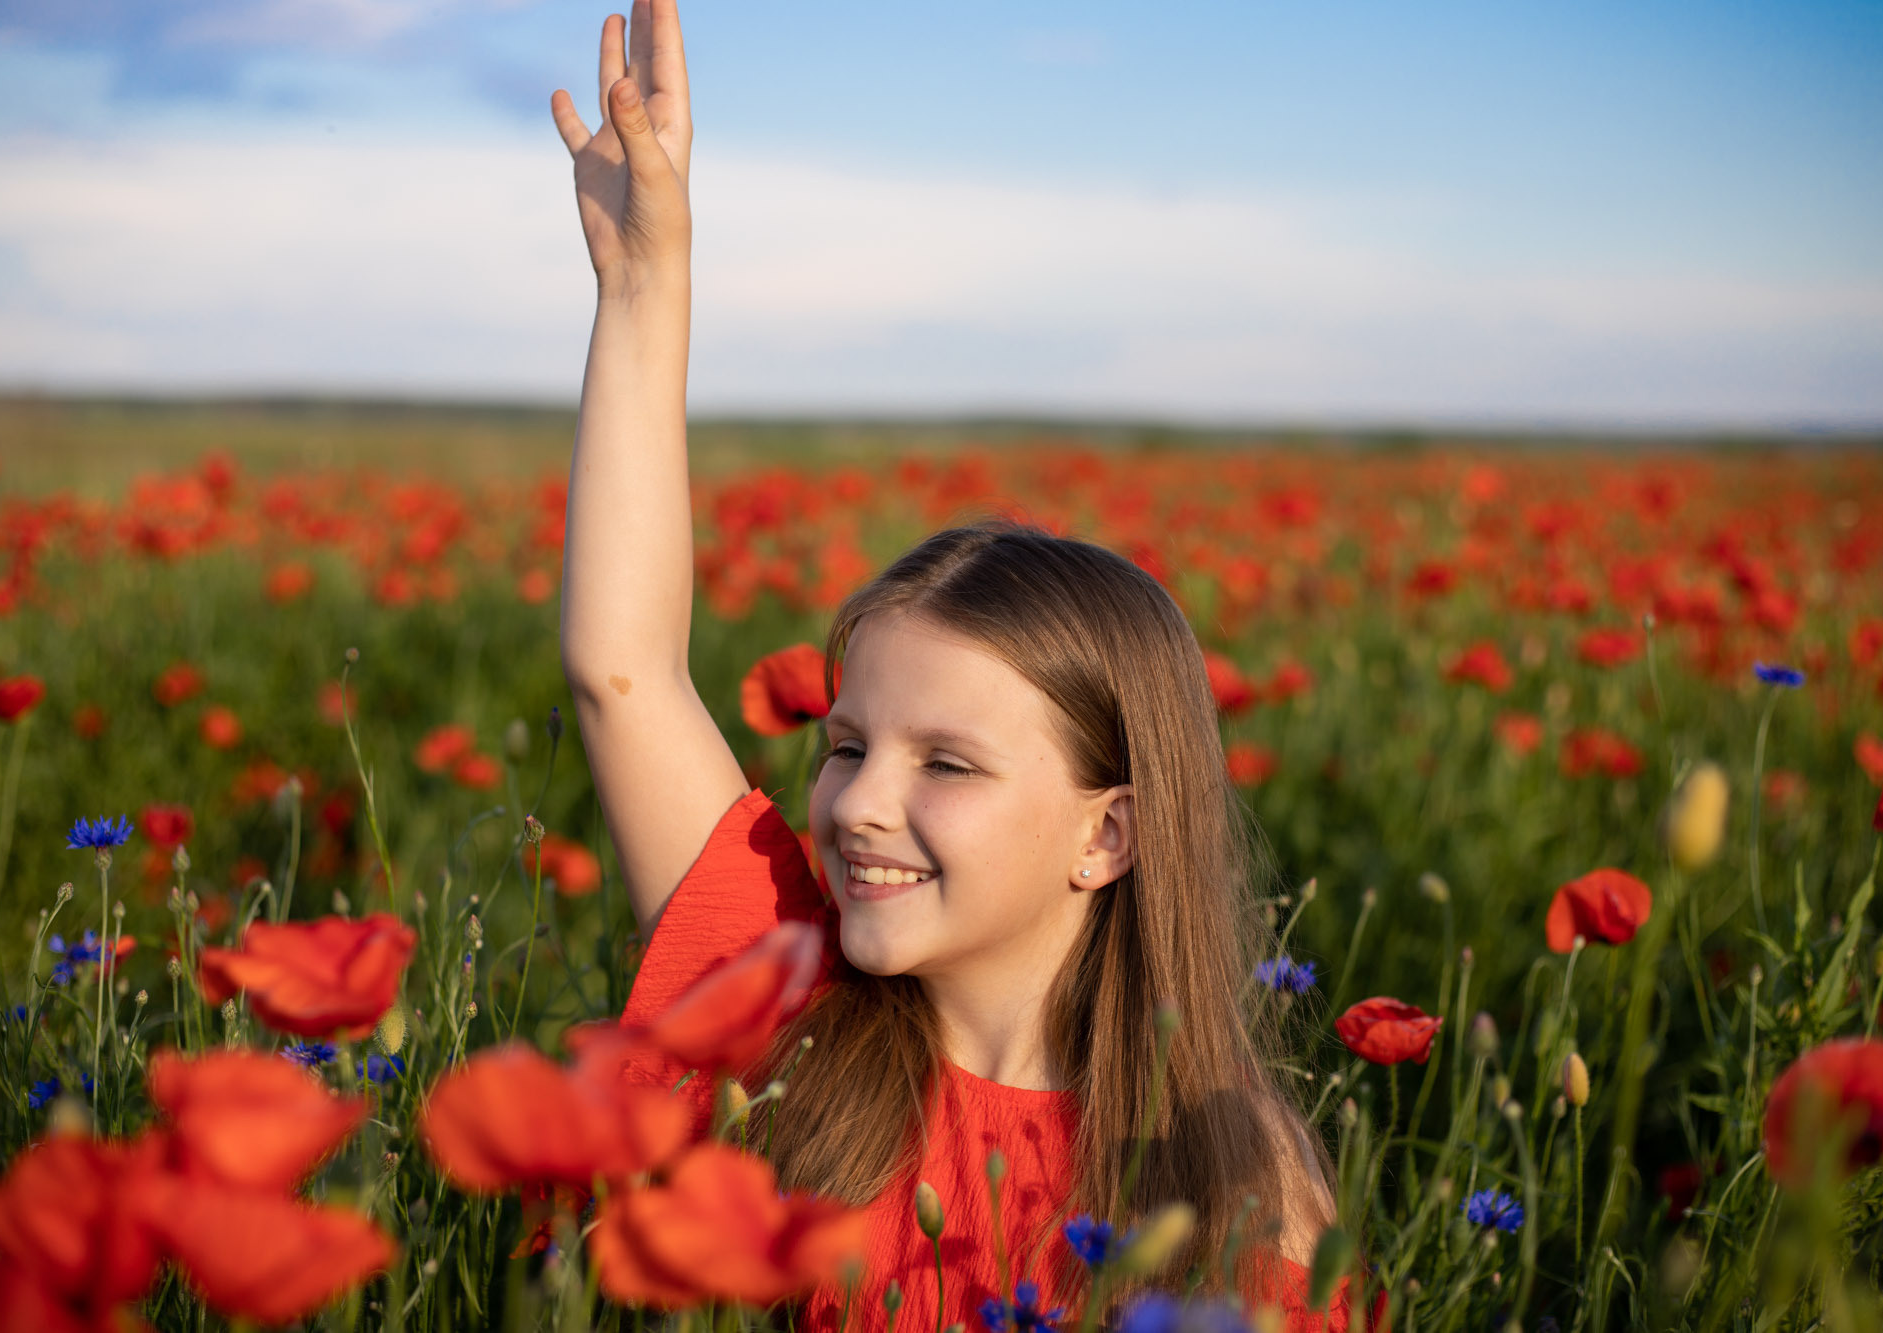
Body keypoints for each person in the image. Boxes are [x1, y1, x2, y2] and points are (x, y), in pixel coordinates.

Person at [552, 3, 1356, 1329]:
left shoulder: (1230, 1180)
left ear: (1110, 833)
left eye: (949, 762)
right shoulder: (785, 1009)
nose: (861, 802)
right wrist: (644, 285)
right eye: (851, 743)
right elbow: (620, 665)